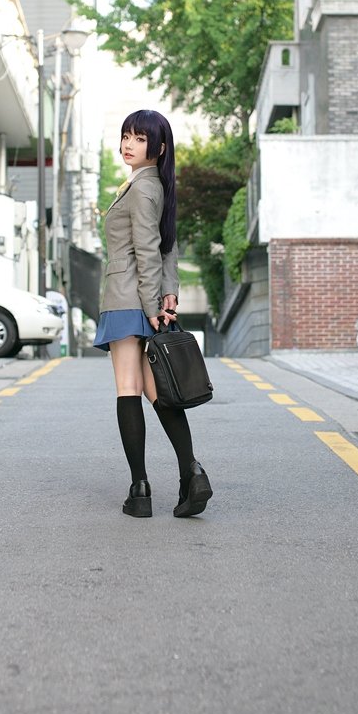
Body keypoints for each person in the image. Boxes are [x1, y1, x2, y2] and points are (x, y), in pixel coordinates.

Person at [94, 109, 212, 519]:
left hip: (128, 298)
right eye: (126, 135)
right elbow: (168, 246)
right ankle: (191, 473)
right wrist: (169, 293)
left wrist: (152, 308)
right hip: (142, 297)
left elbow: (148, 251)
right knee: (156, 390)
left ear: (159, 148)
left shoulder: (143, 188)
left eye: (140, 138)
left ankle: (140, 489)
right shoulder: (152, 185)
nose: (129, 144)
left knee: (128, 389)